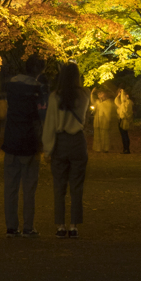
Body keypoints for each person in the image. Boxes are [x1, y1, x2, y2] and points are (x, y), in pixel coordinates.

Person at [42, 61, 90, 238]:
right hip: (78, 141)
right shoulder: (85, 94)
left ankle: (61, 225)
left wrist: (47, 149)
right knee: (77, 186)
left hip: (60, 142)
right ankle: (74, 225)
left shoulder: (55, 96)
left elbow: (50, 124)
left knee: (59, 185)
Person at [1, 54, 45, 237]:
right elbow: (41, 118)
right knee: (29, 188)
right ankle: (28, 227)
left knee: (10, 187)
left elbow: (2, 112)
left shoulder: (9, 85)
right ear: (40, 71)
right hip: (30, 143)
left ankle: (11, 226)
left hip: (11, 141)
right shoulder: (39, 90)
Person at [92, 86, 117, 152]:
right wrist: (92, 93)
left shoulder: (108, 102)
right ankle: (98, 148)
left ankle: (105, 148)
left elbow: (108, 112)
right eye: (98, 94)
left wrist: (108, 120)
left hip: (104, 121)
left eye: (101, 93)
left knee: (105, 135)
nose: (99, 95)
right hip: (98, 121)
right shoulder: (98, 102)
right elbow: (93, 102)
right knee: (98, 135)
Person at [115, 87, 134, 153]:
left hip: (124, 120)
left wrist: (122, 92)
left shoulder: (128, 103)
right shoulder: (124, 103)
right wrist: (118, 95)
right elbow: (116, 102)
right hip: (121, 120)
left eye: (123, 96)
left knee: (125, 135)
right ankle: (125, 149)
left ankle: (127, 149)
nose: (122, 98)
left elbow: (125, 111)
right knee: (123, 135)